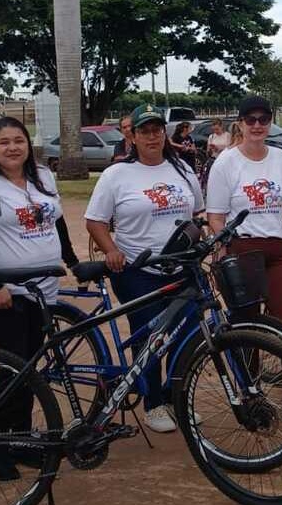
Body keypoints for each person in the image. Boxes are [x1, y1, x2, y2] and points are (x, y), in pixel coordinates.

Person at [0, 117, 79, 481]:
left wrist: (71, 260)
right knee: (13, 367)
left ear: (28, 144)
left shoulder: (43, 176)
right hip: (4, 293)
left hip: (44, 291)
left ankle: (22, 440)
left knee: (29, 369)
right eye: (4, 142)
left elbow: (56, 222)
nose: (12, 148)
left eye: (19, 141)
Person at [85, 104, 204, 433]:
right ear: (132, 136)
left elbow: (198, 215)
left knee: (186, 337)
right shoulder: (117, 175)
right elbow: (95, 220)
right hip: (139, 270)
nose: (152, 136)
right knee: (150, 337)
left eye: (156, 130)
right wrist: (111, 250)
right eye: (144, 131)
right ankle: (153, 402)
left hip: (181, 268)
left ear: (164, 134)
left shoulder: (181, 169)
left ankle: (177, 398)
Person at [206, 95, 282, 419]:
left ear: (270, 122)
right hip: (243, 251)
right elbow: (216, 216)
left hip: (279, 252)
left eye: (262, 119)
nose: (256, 125)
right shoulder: (227, 162)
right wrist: (222, 255)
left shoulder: (280, 159)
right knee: (247, 329)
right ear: (239, 123)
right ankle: (250, 394)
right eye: (249, 119)